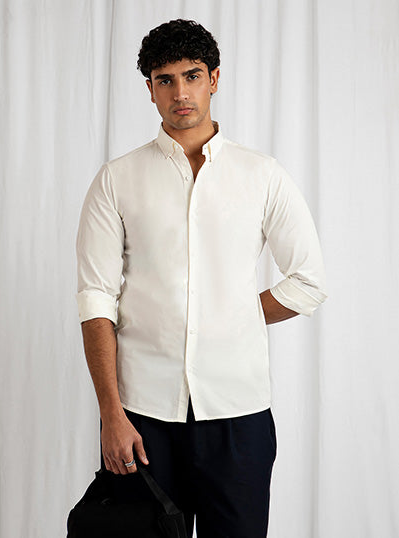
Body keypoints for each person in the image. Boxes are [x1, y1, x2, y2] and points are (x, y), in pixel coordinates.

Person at [75, 18, 328, 538]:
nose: (180, 93)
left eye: (192, 76)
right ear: (149, 89)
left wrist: (233, 315)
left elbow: (308, 281)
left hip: (238, 413)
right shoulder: (117, 179)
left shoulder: (261, 175)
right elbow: (96, 299)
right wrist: (111, 415)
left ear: (214, 78)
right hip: (142, 414)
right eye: (165, 80)